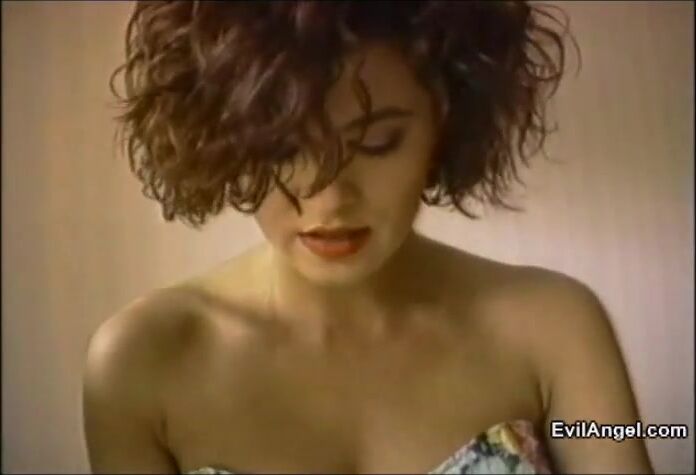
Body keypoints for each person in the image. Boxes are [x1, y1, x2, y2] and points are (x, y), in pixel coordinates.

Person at [82, 1, 654, 473]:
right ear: (224, 138)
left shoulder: (556, 329)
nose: (329, 198)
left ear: (448, 122)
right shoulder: (141, 363)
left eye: (378, 143)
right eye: (283, 146)